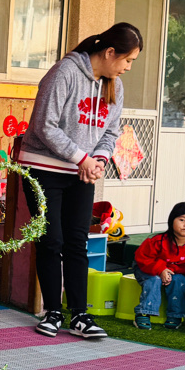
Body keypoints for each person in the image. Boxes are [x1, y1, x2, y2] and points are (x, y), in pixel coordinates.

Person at [18, 22, 143, 339]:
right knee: (51, 241)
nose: (129, 67)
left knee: (77, 242)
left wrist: (98, 160)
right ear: (110, 52)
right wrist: (81, 158)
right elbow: (45, 125)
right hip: (43, 168)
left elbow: (111, 132)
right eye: (128, 60)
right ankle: (52, 312)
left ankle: (80, 315)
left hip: (82, 171)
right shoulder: (64, 72)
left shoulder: (115, 85)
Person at [132, 202, 185, 330]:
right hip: (147, 268)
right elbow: (143, 258)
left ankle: (175, 315)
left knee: (179, 280)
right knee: (154, 280)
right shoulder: (158, 240)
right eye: (182, 220)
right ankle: (144, 312)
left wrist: (170, 271)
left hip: (173, 272)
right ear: (172, 221)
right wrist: (160, 269)